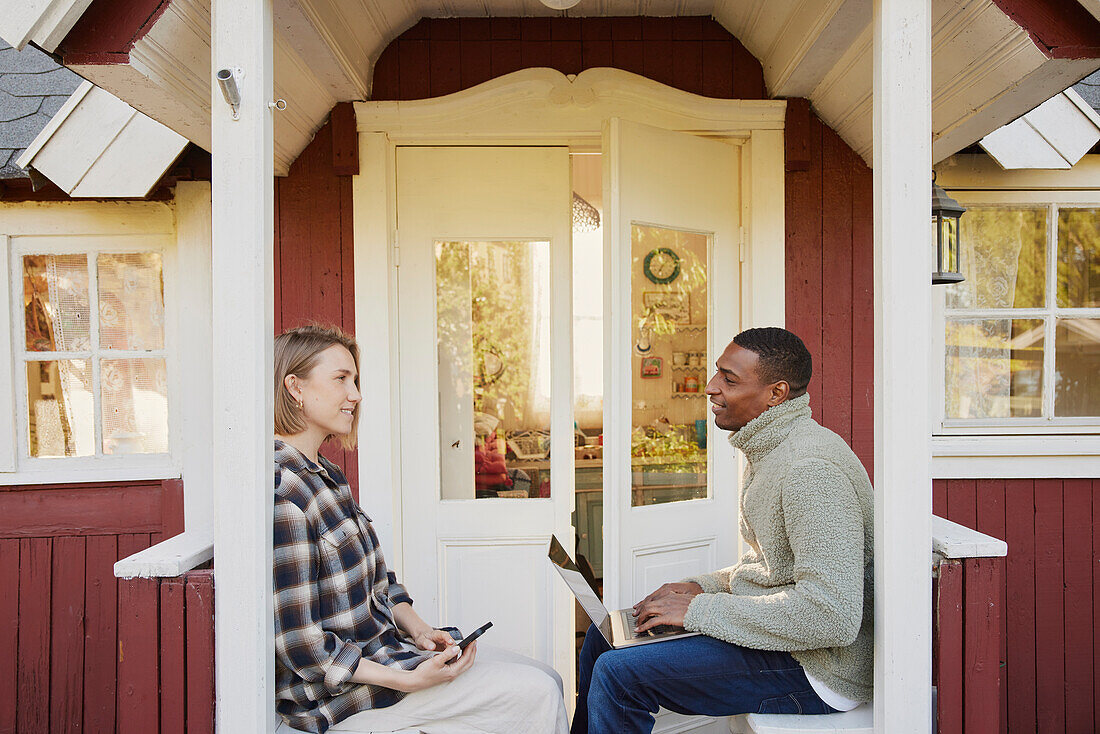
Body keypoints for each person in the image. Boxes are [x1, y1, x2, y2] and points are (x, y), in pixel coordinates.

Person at [572, 327, 874, 734]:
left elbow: (831, 616)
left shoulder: (810, 469)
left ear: (776, 393)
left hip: (819, 669)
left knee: (619, 673)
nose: (712, 388)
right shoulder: (769, 449)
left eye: (729, 379)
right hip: (788, 643)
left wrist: (698, 611)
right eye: (717, 373)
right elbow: (769, 569)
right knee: (603, 637)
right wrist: (701, 587)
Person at [272, 325, 568, 734]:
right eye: (341, 379)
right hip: (343, 700)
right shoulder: (283, 492)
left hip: (392, 655)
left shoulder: (329, 476)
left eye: (356, 380)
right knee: (539, 693)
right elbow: (301, 646)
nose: (356, 395)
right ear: (295, 387)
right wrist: (408, 679)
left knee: (548, 678)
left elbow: (380, 586)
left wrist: (422, 631)